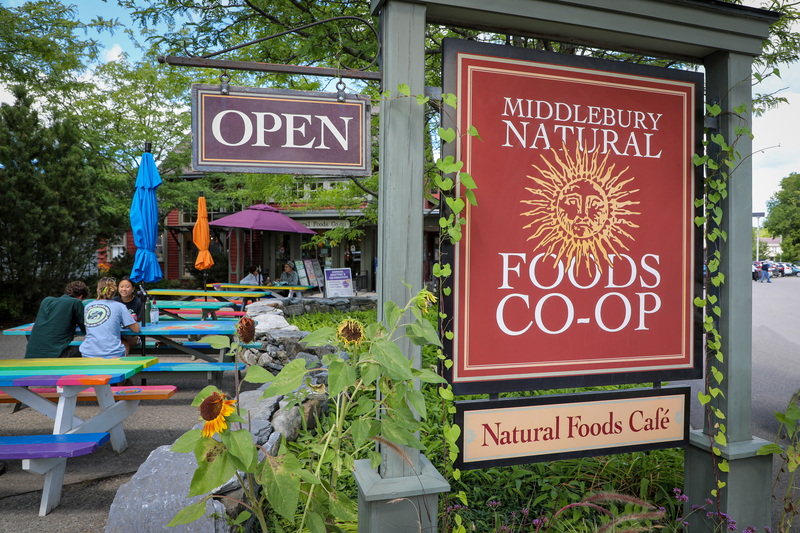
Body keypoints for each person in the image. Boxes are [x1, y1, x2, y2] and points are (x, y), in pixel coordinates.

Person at [25, 281, 90, 359]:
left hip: (31, 354)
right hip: (55, 355)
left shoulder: (46, 301)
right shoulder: (75, 302)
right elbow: (86, 328)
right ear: (80, 297)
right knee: (89, 350)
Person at [80, 278, 140, 358]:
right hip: (113, 353)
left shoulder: (88, 306)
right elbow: (136, 329)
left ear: (98, 290)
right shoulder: (120, 306)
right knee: (124, 342)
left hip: (88, 353)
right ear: (115, 291)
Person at [113, 276, 143, 354]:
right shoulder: (114, 301)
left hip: (133, 334)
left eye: (127, 287)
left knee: (123, 343)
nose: (124, 289)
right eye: (121, 287)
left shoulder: (138, 302)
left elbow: (140, 321)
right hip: (117, 334)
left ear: (133, 288)